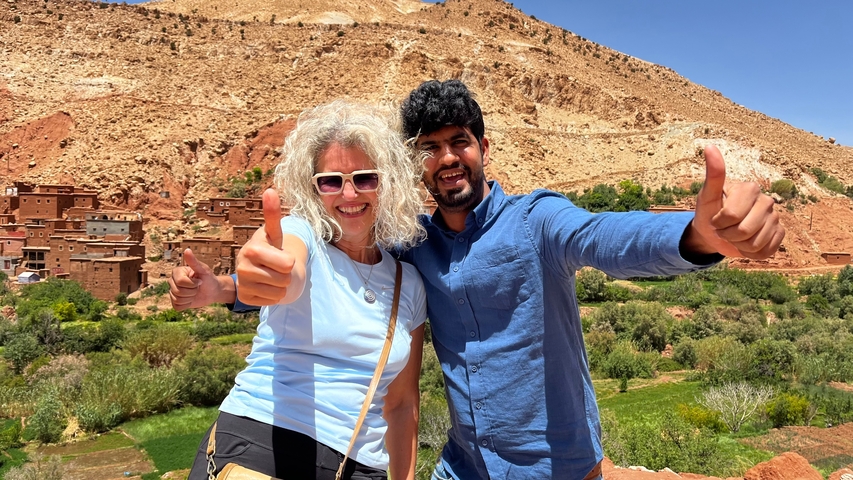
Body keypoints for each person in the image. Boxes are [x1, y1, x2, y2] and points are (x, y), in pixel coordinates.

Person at [173, 80, 785, 479]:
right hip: (462, 467)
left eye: (458, 141)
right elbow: (307, 256)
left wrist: (697, 237)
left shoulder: (537, 220)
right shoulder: (412, 242)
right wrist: (232, 288)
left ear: (483, 147)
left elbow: (602, 238)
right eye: (430, 147)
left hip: (556, 466)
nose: (446, 158)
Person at [173, 100, 427, 480]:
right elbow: (287, 270)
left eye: (365, 178)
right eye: (330, 181)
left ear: (388, 182)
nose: (349, 194)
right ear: (314, 190)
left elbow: (403, 403)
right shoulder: (301, 234)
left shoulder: (409, 284)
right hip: (263, 447)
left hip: (362, 467)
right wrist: (257, 280)